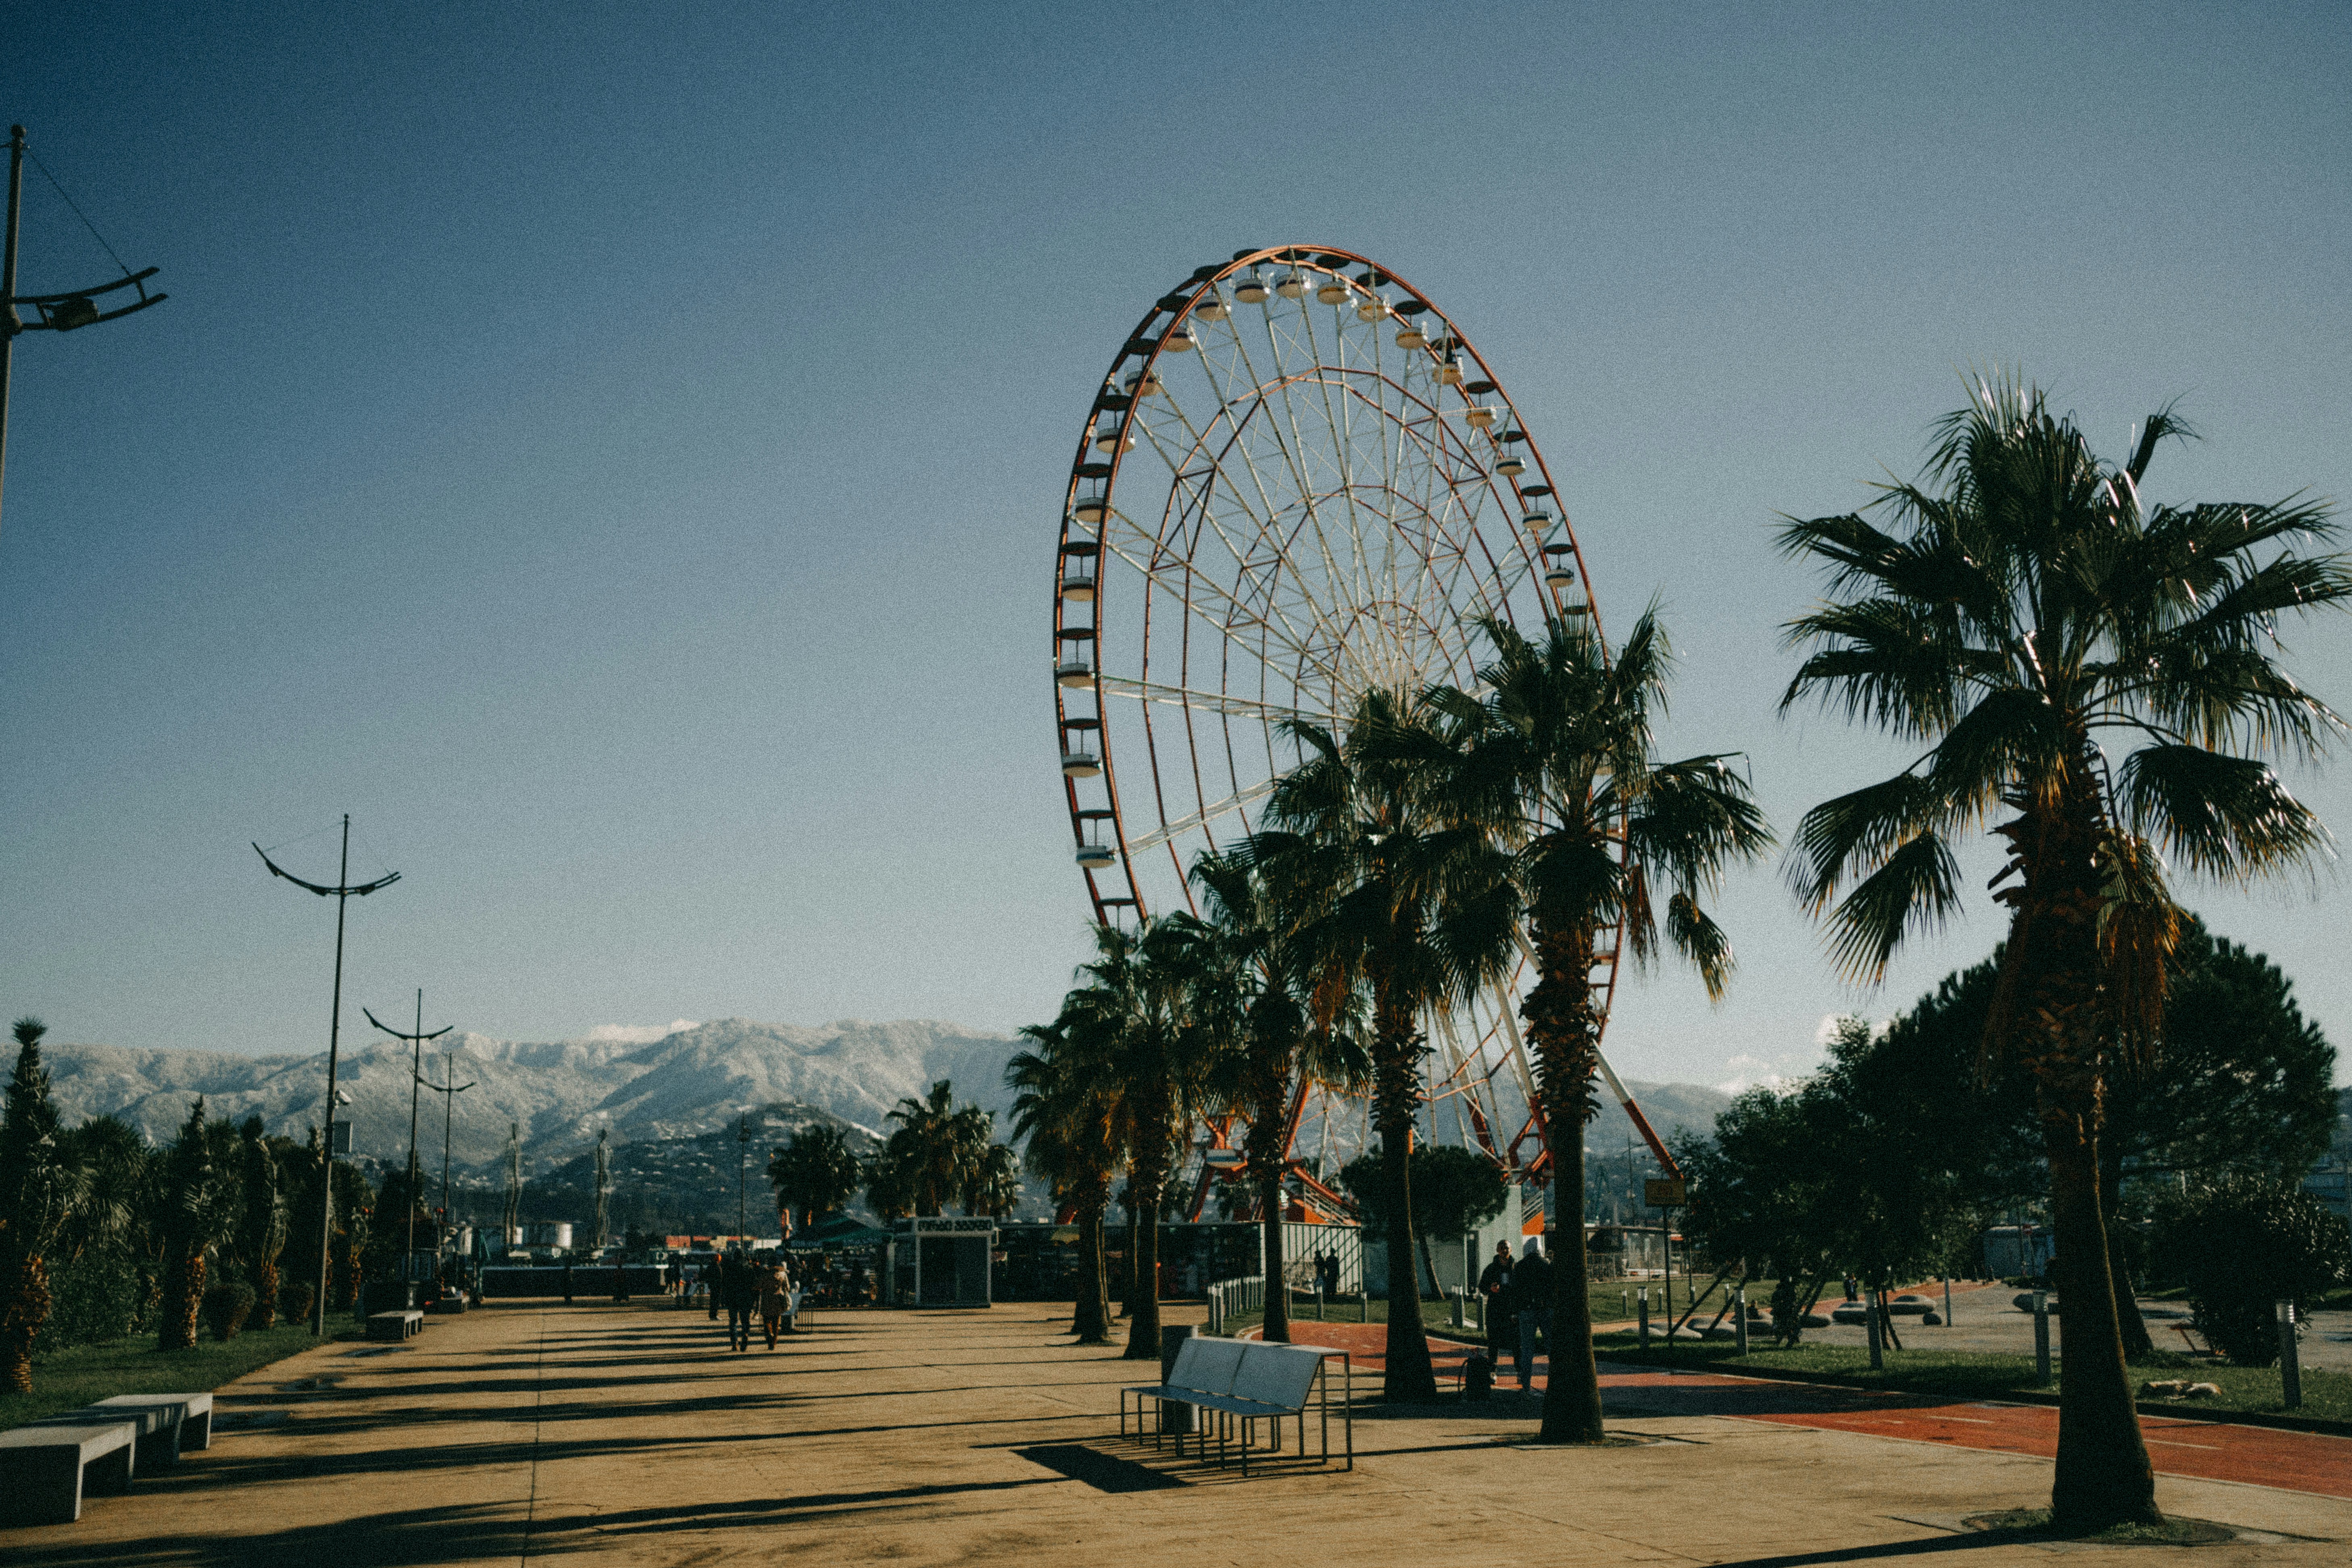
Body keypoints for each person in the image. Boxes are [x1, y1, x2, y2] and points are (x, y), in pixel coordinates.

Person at [1512, 1236, 1555, 1392]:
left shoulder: (1520, 1266)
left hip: (1527, 1310)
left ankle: (1525, 1386)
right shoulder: (1547, 1265)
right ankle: (1555, 1385)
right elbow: (1552, 1287)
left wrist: (1516, 1311)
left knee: (1527, 1350)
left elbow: (1515, 1291)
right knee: (1551, 1346)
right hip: (1545, 1309)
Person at [1478, 1240, 1516, 1370]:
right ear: (1497, 1250)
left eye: (1507, 1248)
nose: (1504, 1250)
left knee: (1516, 1343)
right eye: (1502, 1248)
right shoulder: (1491, 1268)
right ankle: (1493, 1371)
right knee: (1493, 1343)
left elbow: (1522, 1288)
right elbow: (1482, 1287)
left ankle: (1520, 1372)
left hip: (1511, 1309)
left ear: (1511, 1250)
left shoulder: (1516, 1268)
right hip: (1495, 1310)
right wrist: (1491, 1288)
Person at [720, 1248, 757, 1352]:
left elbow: (725, 1284)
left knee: (733, 1321)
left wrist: (724, 1298)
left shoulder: (729, 1269)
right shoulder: (749, 1268)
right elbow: (753, 1284)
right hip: (745, 1297)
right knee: (745, 1320)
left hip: (732, 1297)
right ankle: (745, 1334)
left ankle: (734, 1343)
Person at [757, 1254, 794, 1349]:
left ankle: (769, 1336)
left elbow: (758, 1286)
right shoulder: (782, 1274)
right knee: (776, 1323)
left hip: (766, 1299)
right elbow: (788, 1287)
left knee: (766, 1321)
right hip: (778, 1300)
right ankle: (774, 1342)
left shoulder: (765, 1274)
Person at [701, 1254, 723, 1320]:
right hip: (717, 1287)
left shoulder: (710, 1266)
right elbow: (720, 1278)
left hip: (712, 1286)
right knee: (716, 1302)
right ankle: (715, 1315)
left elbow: (706, 1275)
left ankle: (712, 1315)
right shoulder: (718, 1267)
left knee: (712, 1301)